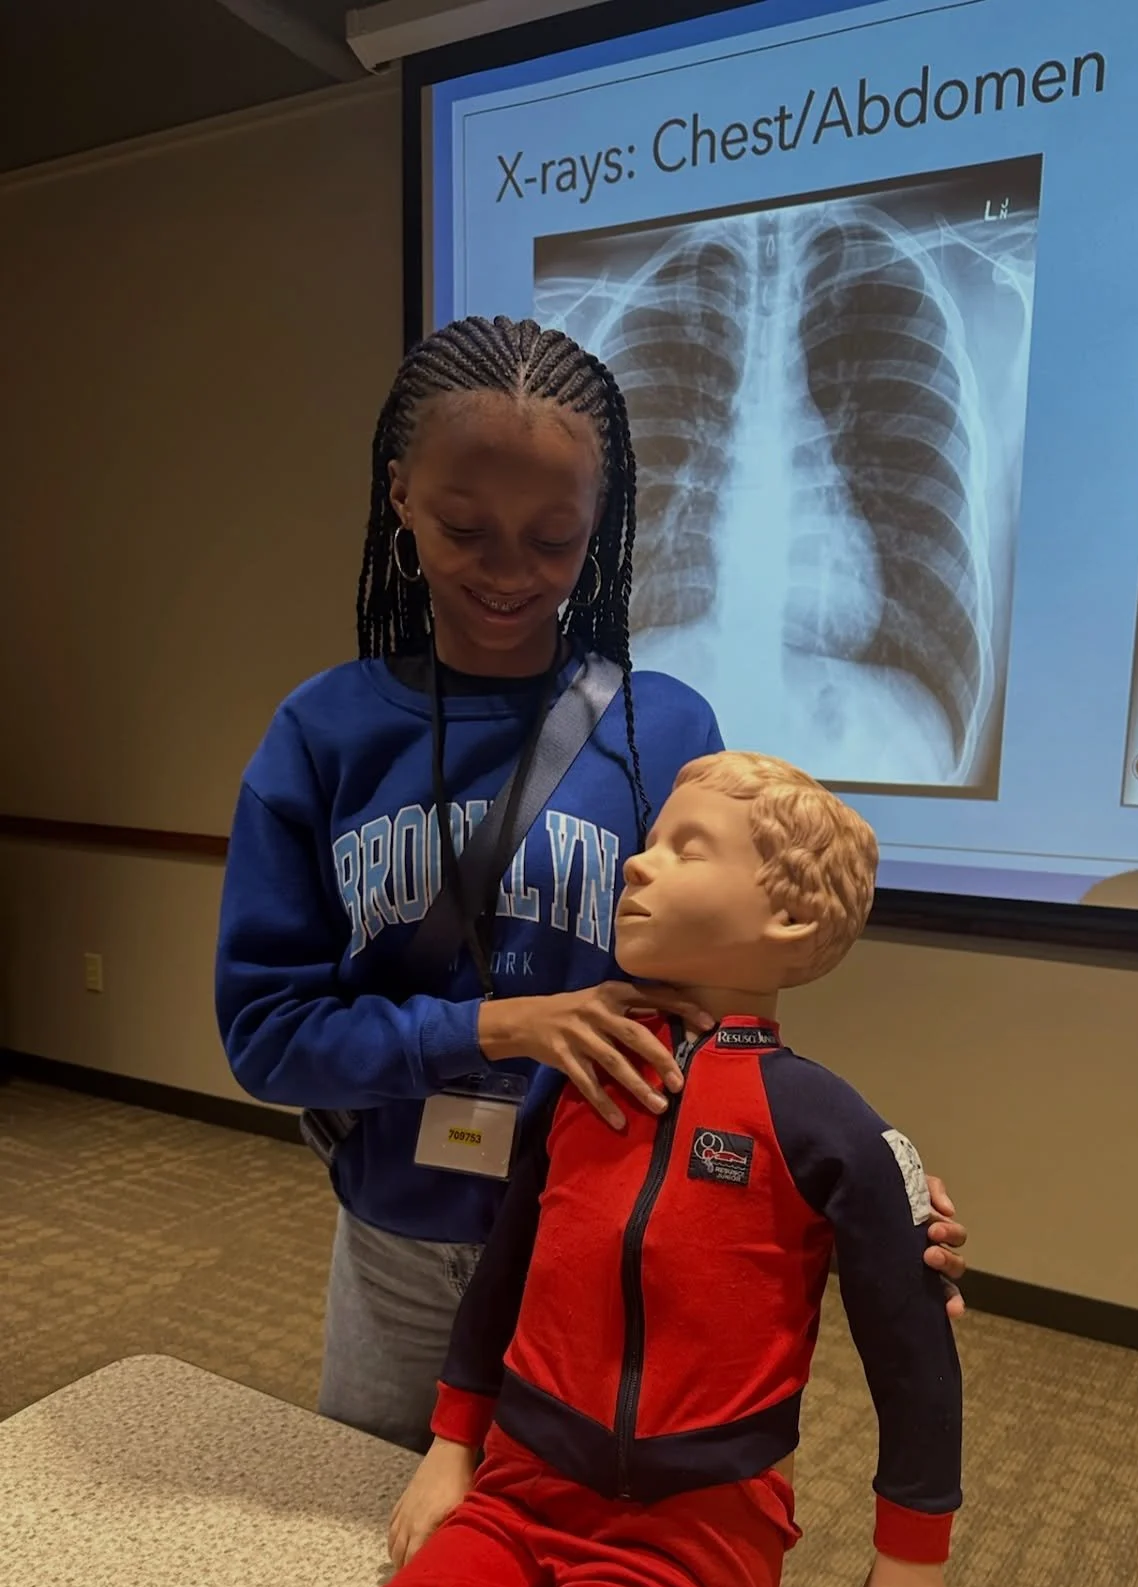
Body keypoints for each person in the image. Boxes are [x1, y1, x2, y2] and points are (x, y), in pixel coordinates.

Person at [5, 752, 965, 1587]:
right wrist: (454, 1441)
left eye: (686, 848)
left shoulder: (829, 1125)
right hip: (518, 1492)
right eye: (648, 840)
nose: (640, 866)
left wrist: (911, 1561)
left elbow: (912, 1346)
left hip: (685, 1555)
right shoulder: (591, 1076)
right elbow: (508, 1267)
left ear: (790, 910)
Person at [213, 314, 969, 1457]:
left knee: (568, 1546)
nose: (510, 575)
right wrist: (503, 1025)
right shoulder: (321, 735)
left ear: (601, 530)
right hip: (396, 1240)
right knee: (369, 1530)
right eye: (466, 528)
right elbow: (269, 1039)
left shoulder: (662, 734)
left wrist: (870, 1187)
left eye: (556, 539)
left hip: (608, 1232)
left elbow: (730, 1014)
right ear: (400, 494)